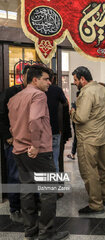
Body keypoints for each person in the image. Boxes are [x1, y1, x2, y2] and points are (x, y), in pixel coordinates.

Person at [8, 65, 69, 240]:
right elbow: (34, 120)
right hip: (38, 151)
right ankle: (47, 233)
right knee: (49, 190)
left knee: (27, 189)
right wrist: (34, 144)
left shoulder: (16, 97)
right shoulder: (38, 95)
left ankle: (31, 230)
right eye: (46, 79)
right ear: (35, 80)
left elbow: (13, 124)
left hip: (19, 150)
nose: (49, 82)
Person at [70, 66, 105, 214]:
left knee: (89, 172)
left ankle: (95, 204)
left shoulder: (87, 92)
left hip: (88, 138)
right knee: (101, 169)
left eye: (75, 80)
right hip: (102, 136)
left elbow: (81, 117)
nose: (75, 82)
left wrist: (72, 112)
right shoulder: (104, 90)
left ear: (82, 79)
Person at [0, 65, 32, 224]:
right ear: (23, 76)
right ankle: (14, 209)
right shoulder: (11, 92)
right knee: (14, 175)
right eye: (30, 75)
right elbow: (1, 115)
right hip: (13, 141)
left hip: (29, 142)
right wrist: (7, 137)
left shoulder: (36, 93)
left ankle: (28, 206)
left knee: (28, 176)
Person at [45, 71, 67, 173]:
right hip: (54, 129)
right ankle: (54, 186)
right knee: (54, 161)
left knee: (41, 163)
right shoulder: (57, 90)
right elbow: (65, 103)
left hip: (39, 132)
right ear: (53, 79)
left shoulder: (36, 90)